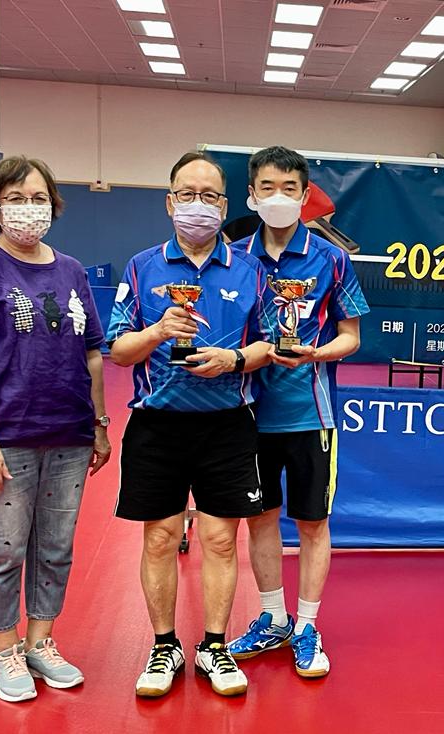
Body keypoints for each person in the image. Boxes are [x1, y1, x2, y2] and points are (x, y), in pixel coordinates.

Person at [0, 155, 112, 703]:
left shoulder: (72, 270)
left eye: (38, 199)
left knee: (55, 548)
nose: (28, 209)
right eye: (15, 199)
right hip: (5, 438)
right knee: (3, 550)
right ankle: (5, 650)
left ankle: (40, 641)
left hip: (68, 435)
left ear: (53, 205)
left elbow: (93, 354)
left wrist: (99, 424)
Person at [107, 152, 271, 698]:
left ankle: (214, 647)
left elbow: (271, 343)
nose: (197, 204)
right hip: (158, 424)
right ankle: (164, 646)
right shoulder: (142, 267)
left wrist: (235, 359)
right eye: (187, 194)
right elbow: (119, 351)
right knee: (159, 538)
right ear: (169, 202)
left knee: (222, 541)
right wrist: (158, 331)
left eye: (209, 196)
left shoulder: (250, 270)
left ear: (224, 206)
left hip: (227, 424)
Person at [228, 146, 369, 679]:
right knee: (260, 518)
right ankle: (272, 618)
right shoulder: (234, 258)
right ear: (251, 194)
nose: (279, 197)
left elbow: (351, 337)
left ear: (305, 194)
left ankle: (307, 625)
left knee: (312, 522)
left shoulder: (331, 258)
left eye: (290, 188)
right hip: (248, 413)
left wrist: (315, 353)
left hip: (312, 414)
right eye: (268, 187)